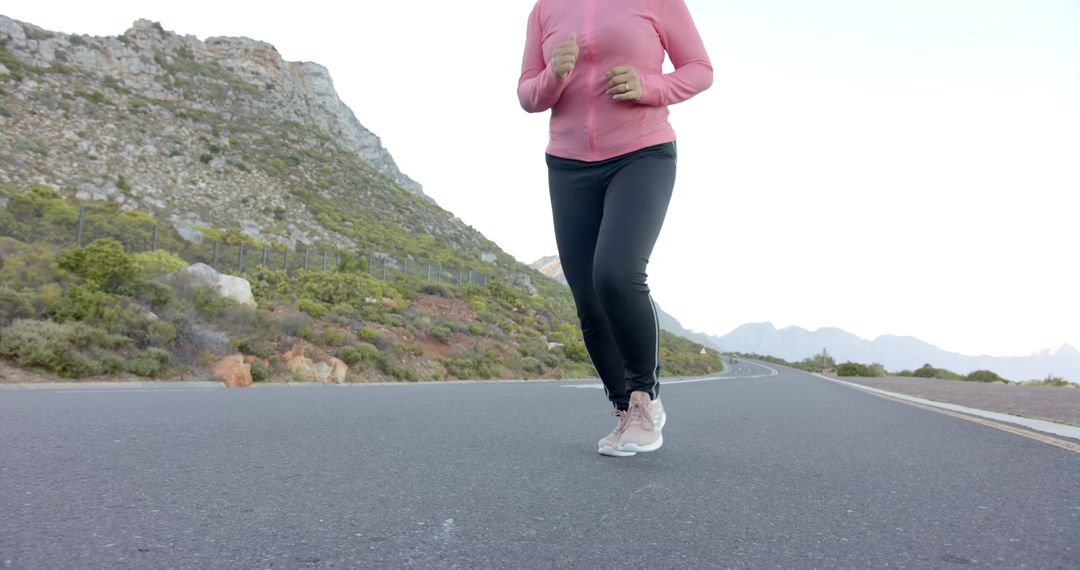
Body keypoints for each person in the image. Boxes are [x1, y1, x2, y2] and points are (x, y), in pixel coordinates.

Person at [517, 0, 713, 456]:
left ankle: (646, 398)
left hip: (642, 153)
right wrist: (554, 75)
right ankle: (624, 410)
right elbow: (528, 94)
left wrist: (649, 85)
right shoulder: (545, 10)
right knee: (587, 293)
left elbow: (700, 68)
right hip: (567, 165)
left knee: (616, 273)